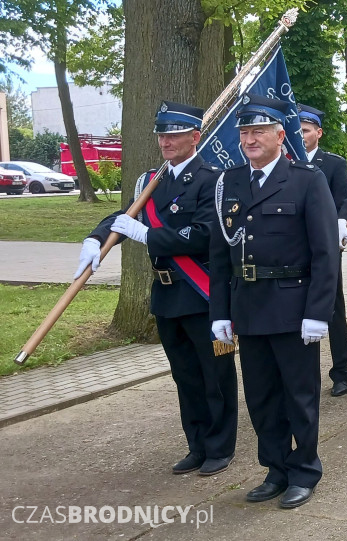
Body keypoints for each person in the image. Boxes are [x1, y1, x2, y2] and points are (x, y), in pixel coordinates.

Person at [78, 100, 238, 477]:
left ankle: (220, 447)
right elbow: (126, 215)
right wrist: (96, 236)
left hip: (206, 297)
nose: (166, 142)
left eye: (175, 135)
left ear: (195, 137)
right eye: (162, 135)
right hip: (167, 296)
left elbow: (204, 234)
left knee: (216, 376)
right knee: (185, 376)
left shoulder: (215, 179)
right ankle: (196, 445)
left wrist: (149, 235)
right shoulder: (152, 179)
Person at [209, 93, 339, 508]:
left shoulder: (305, 179)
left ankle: (304, 471)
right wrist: (219, 313)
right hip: (248, 306)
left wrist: (319, 312)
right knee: (262, 397)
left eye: (259, 131)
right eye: (245, 132)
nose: (250, 139)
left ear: (280, 135)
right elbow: (219, 255)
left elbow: (324, 252)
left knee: (299, 396)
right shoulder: (229, 182)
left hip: (292, 307)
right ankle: (276, 469)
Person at [297, 103, 347, 398]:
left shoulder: (332, 163)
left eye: (306, 130)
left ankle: (340, 371)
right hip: (295, 249)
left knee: (333, 308)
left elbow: (344, 196)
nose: (301, 135)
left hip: (325, 246)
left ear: (318, 133)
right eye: (297, 130)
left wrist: (341, 221)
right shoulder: (286, 162)